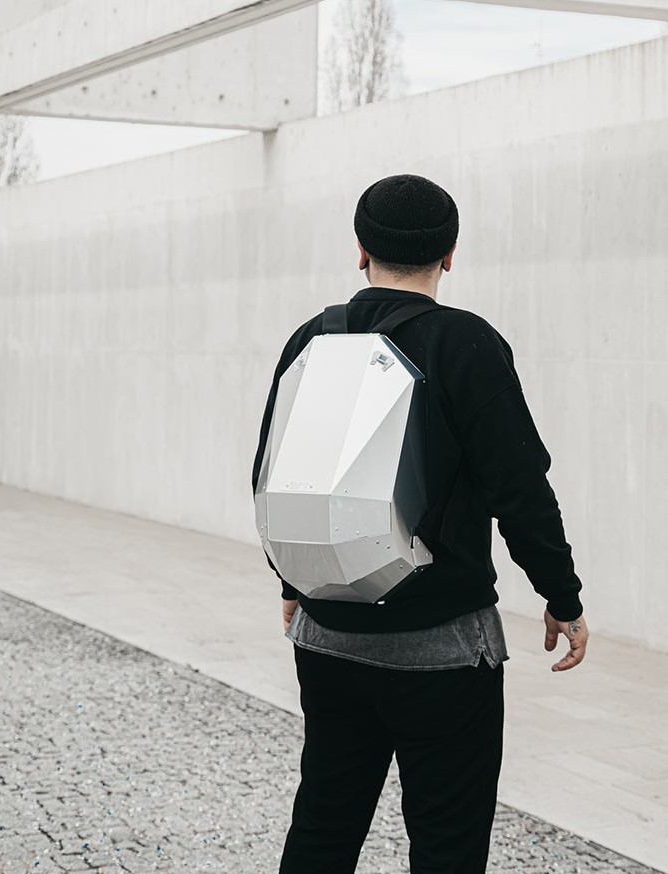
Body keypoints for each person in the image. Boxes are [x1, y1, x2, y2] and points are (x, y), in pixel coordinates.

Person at [251, 173, 588, 874]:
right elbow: (519, 488)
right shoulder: (466, 344)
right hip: (442, 648)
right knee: (447, 843)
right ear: (450, 254)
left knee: (324, 825)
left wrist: (294, 580)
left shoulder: (313, 337)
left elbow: (274, 469)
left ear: (360, 250)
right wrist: (561, 595)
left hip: (327, 635)